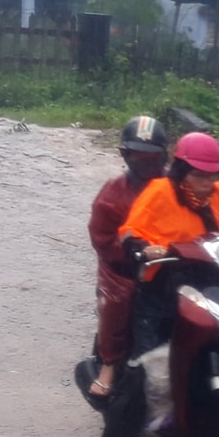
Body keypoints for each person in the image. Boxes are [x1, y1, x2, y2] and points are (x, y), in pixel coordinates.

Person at [95, 131, 219, 437]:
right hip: (162, 285)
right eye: (199, 174)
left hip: (210, 283)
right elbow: (130, 232)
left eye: (212, 175)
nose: (206, 182)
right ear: (181, 170)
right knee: (149, 364)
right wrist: (141, 248)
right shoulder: (159, 193)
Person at [86, 115, 168, 402]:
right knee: (119, 300)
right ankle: (109, 363)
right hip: (124, 267)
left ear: (163, 155)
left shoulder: (177, 189)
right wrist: (133, 254)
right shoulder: (112, 193)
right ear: (125, 155)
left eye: (151, 154)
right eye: (137, 153)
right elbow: (102, 237)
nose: (145, 160)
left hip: (171, 265)